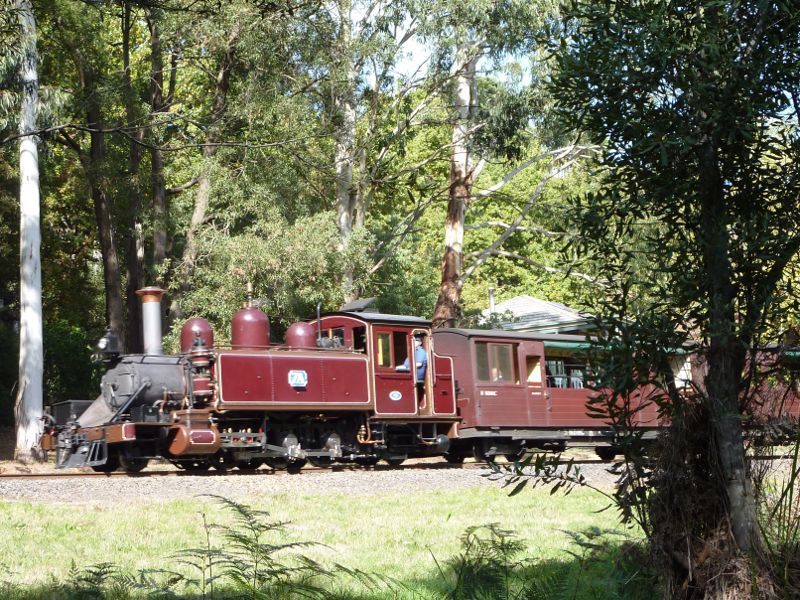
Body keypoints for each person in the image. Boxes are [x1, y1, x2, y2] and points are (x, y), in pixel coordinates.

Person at [401, 334, 428, 406]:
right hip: (410, 375)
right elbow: (405, 365)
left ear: (420, 342)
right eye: (413, 340)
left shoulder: (421, 351)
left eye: (415, 340)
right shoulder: (412, 352)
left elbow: (419, 364)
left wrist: (407, 367)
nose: (413, 342)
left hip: (417, 377)